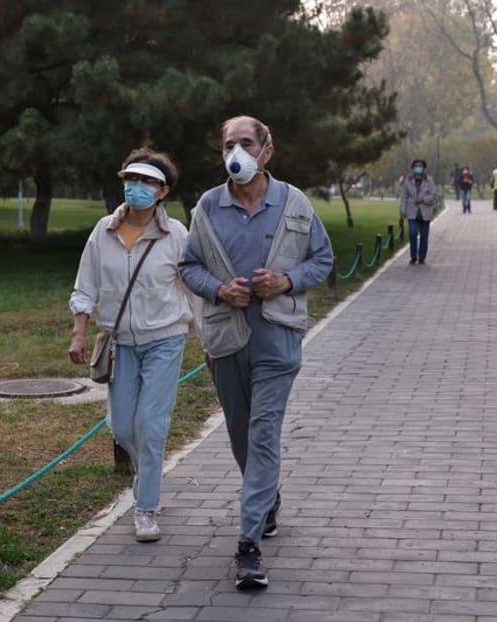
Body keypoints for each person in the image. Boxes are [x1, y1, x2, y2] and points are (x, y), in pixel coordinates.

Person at [178, 115, 333, 590]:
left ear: (267, 149)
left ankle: (248, 546)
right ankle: (266, 498)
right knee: (242, 436)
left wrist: (285, 281)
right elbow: (189, 267)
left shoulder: (295, 202)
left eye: (246, 143)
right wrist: (221, 290)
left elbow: (322, 259)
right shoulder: (208, 206)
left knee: (263, 434)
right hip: (227, 340)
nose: (236, 153)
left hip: (277, 340)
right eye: (229, 144)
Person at [68, 147, 192, 543]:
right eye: (131, 180)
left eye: (146, 182)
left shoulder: (176, 236)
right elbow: (86, 284)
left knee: (151, 426)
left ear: (163, 192)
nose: (136, 188)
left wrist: (210, 338)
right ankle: (146, 471)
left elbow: (194, 289)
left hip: (165, 340)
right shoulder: (103, 230)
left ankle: (146, 509)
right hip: (120, 342)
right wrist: (79, 331)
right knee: (121, 426)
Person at [399, 159, 437, 265]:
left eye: (420, 166)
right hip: (412, 212)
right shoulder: (408, 180)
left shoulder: (429, 181)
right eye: (416, 166)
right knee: (413, 233)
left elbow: (433, 196)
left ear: (424, 168)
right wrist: (402, 211)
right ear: (413, 168)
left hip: (425, 212)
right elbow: (404, 197)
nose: (418, 168)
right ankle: (413, 256)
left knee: (424, 236)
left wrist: (423, 199)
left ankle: (422, 257)